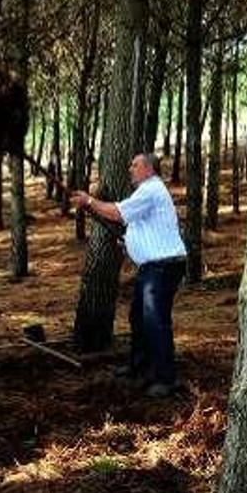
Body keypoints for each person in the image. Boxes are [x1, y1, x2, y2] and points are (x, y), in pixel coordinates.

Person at [71, 153, 188, 398]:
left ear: (149, 169)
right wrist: (131, 242)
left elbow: (118, 213)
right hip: (154, 267)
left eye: (135, 165)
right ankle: (140, 366)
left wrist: (90, 202)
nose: (130, 169)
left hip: (162, 266)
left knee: (155, 321)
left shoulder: (151, 189)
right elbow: (139, 224)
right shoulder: (146, 193)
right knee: (139, 317)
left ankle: (166, 378)